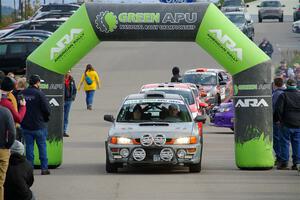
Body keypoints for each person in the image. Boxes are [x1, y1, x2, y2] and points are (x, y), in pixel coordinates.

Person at [21, 75, 51, 175]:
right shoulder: (39, 94)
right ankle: (44, 169)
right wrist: (45, 118)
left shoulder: (23, 93)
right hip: (39, 125)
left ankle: (30, 170)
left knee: (29, 148)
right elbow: (47, 109)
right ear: (37, 83)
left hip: (26, 125)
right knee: (42, 147)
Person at [274, 79, 300, 170]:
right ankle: (297, 163)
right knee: (297, 143)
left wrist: (277, 120)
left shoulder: (283, 95)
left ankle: (284, 163)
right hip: (298, 124)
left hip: (286, 123)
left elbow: (278, 109)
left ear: (287, 85)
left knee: (284, 143)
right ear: (295, 85)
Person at [0, 105, 16, 200]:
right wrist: (8, 145)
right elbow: (12, 133)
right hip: (2, 150)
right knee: (1, 182)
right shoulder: (5, 112)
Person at [272, 77, 285, 164]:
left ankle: (279, 157)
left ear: (274, 84)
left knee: (276, 139)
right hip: (285, 120)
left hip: (277, 121)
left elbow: (274, 108)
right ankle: (283, 157)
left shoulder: (276, 94)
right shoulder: (285, 93)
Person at [64, 71, 77, 137]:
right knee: (60, 116)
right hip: (62, 100)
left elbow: (75, 89)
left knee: (66, 117)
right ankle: (59, 130)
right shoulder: (61, 79)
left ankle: (64, 131)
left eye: (68, 72)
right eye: (67, 72)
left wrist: (73, 97)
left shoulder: (71, 80)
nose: (67, 73)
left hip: (69, 100)